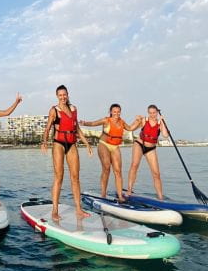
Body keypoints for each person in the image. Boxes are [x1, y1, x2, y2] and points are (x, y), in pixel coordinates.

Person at [40, 85, 93, 221]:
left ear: (68, 95)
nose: (63, 97)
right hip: (58, 143)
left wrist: (86, 143)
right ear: (57, 96)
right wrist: (44, 142)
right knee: (59, 177)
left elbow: (77, 128)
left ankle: (79, 209)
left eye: (65, 95)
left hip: (72, 143)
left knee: (75, 177)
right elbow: (47, 128)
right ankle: (55, 211)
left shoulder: (74, 109)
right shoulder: (54, 110)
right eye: (60, 95)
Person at [81, 104, 141, 202]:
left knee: (118, 171)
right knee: (107, 168)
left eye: (118, 111)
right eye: (114, 111)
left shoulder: (122, 122)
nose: (116, 113)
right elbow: (93, 123)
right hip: (104, 144)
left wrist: (138, 121)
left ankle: (120, 195)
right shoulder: (106, 120)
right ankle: (103, 193)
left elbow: (130, 128)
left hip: (115, 146)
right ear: (111, 112)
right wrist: (84, 123)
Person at [127, 104, 170, 199]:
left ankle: (160, 197)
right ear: (148, 113)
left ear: (157, 112)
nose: (152, 115)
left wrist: (163, 122)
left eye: (154, 113)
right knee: (134, 165)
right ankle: (129, 190)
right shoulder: (144, 120)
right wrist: (136, 120)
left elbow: (165, 135)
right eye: (150, 113)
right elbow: (131, 128)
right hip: (139, 144)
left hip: (151, 148)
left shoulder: (160, 123)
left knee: (156, 173)